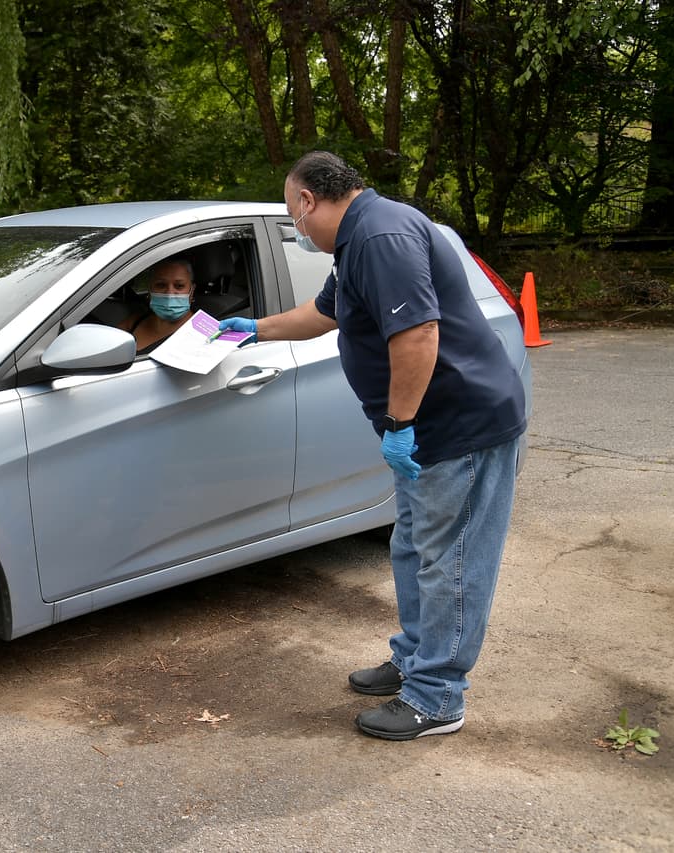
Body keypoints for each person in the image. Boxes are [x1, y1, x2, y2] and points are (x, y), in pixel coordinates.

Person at [219, 151, 527, 741]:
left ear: (307, 200)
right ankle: (414, 659)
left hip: (457, 425)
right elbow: (325, 312)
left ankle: (437, 697)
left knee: (451, 560)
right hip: (430, 428)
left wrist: (400, 422)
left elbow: (418, 334)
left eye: (291, 211)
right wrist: (256, 329)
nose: (296, 225)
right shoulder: (357, 239)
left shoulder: (381, 236)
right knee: (413, 546)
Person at [120, 257, 196, 353]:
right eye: (161, 285)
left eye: (179, 286)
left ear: (192, 291)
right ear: (149, 289)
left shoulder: (204, 330)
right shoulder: (132, 323)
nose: (169, 293)